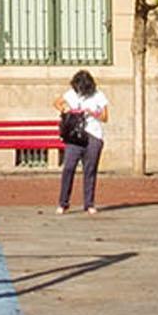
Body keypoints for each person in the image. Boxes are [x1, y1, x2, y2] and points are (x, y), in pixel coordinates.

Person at [54, 70, 109, 215]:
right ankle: (63, 202)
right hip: (75, 136)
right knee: (69, 167)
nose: (80, 91)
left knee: (90, 170)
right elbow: (57, 103)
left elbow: (105, 117)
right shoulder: (71, 93)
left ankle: (89, 203)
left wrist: (92, 113)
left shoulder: (98, 95)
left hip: (93, 135)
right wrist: (68, 111)